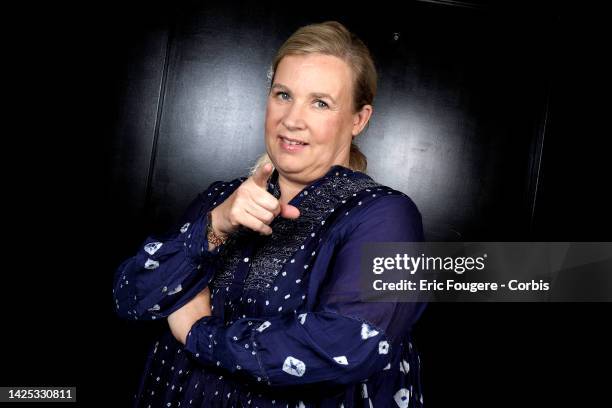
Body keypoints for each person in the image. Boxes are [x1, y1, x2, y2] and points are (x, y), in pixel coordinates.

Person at [113, 21, 426, 407]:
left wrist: (197, 332)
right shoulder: (220, 197)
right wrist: (215, 226)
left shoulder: (386, 217)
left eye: (320, 103)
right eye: (283, 95)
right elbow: (130, 297)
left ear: (359, 120)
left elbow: (345, 346)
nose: (292, 119)